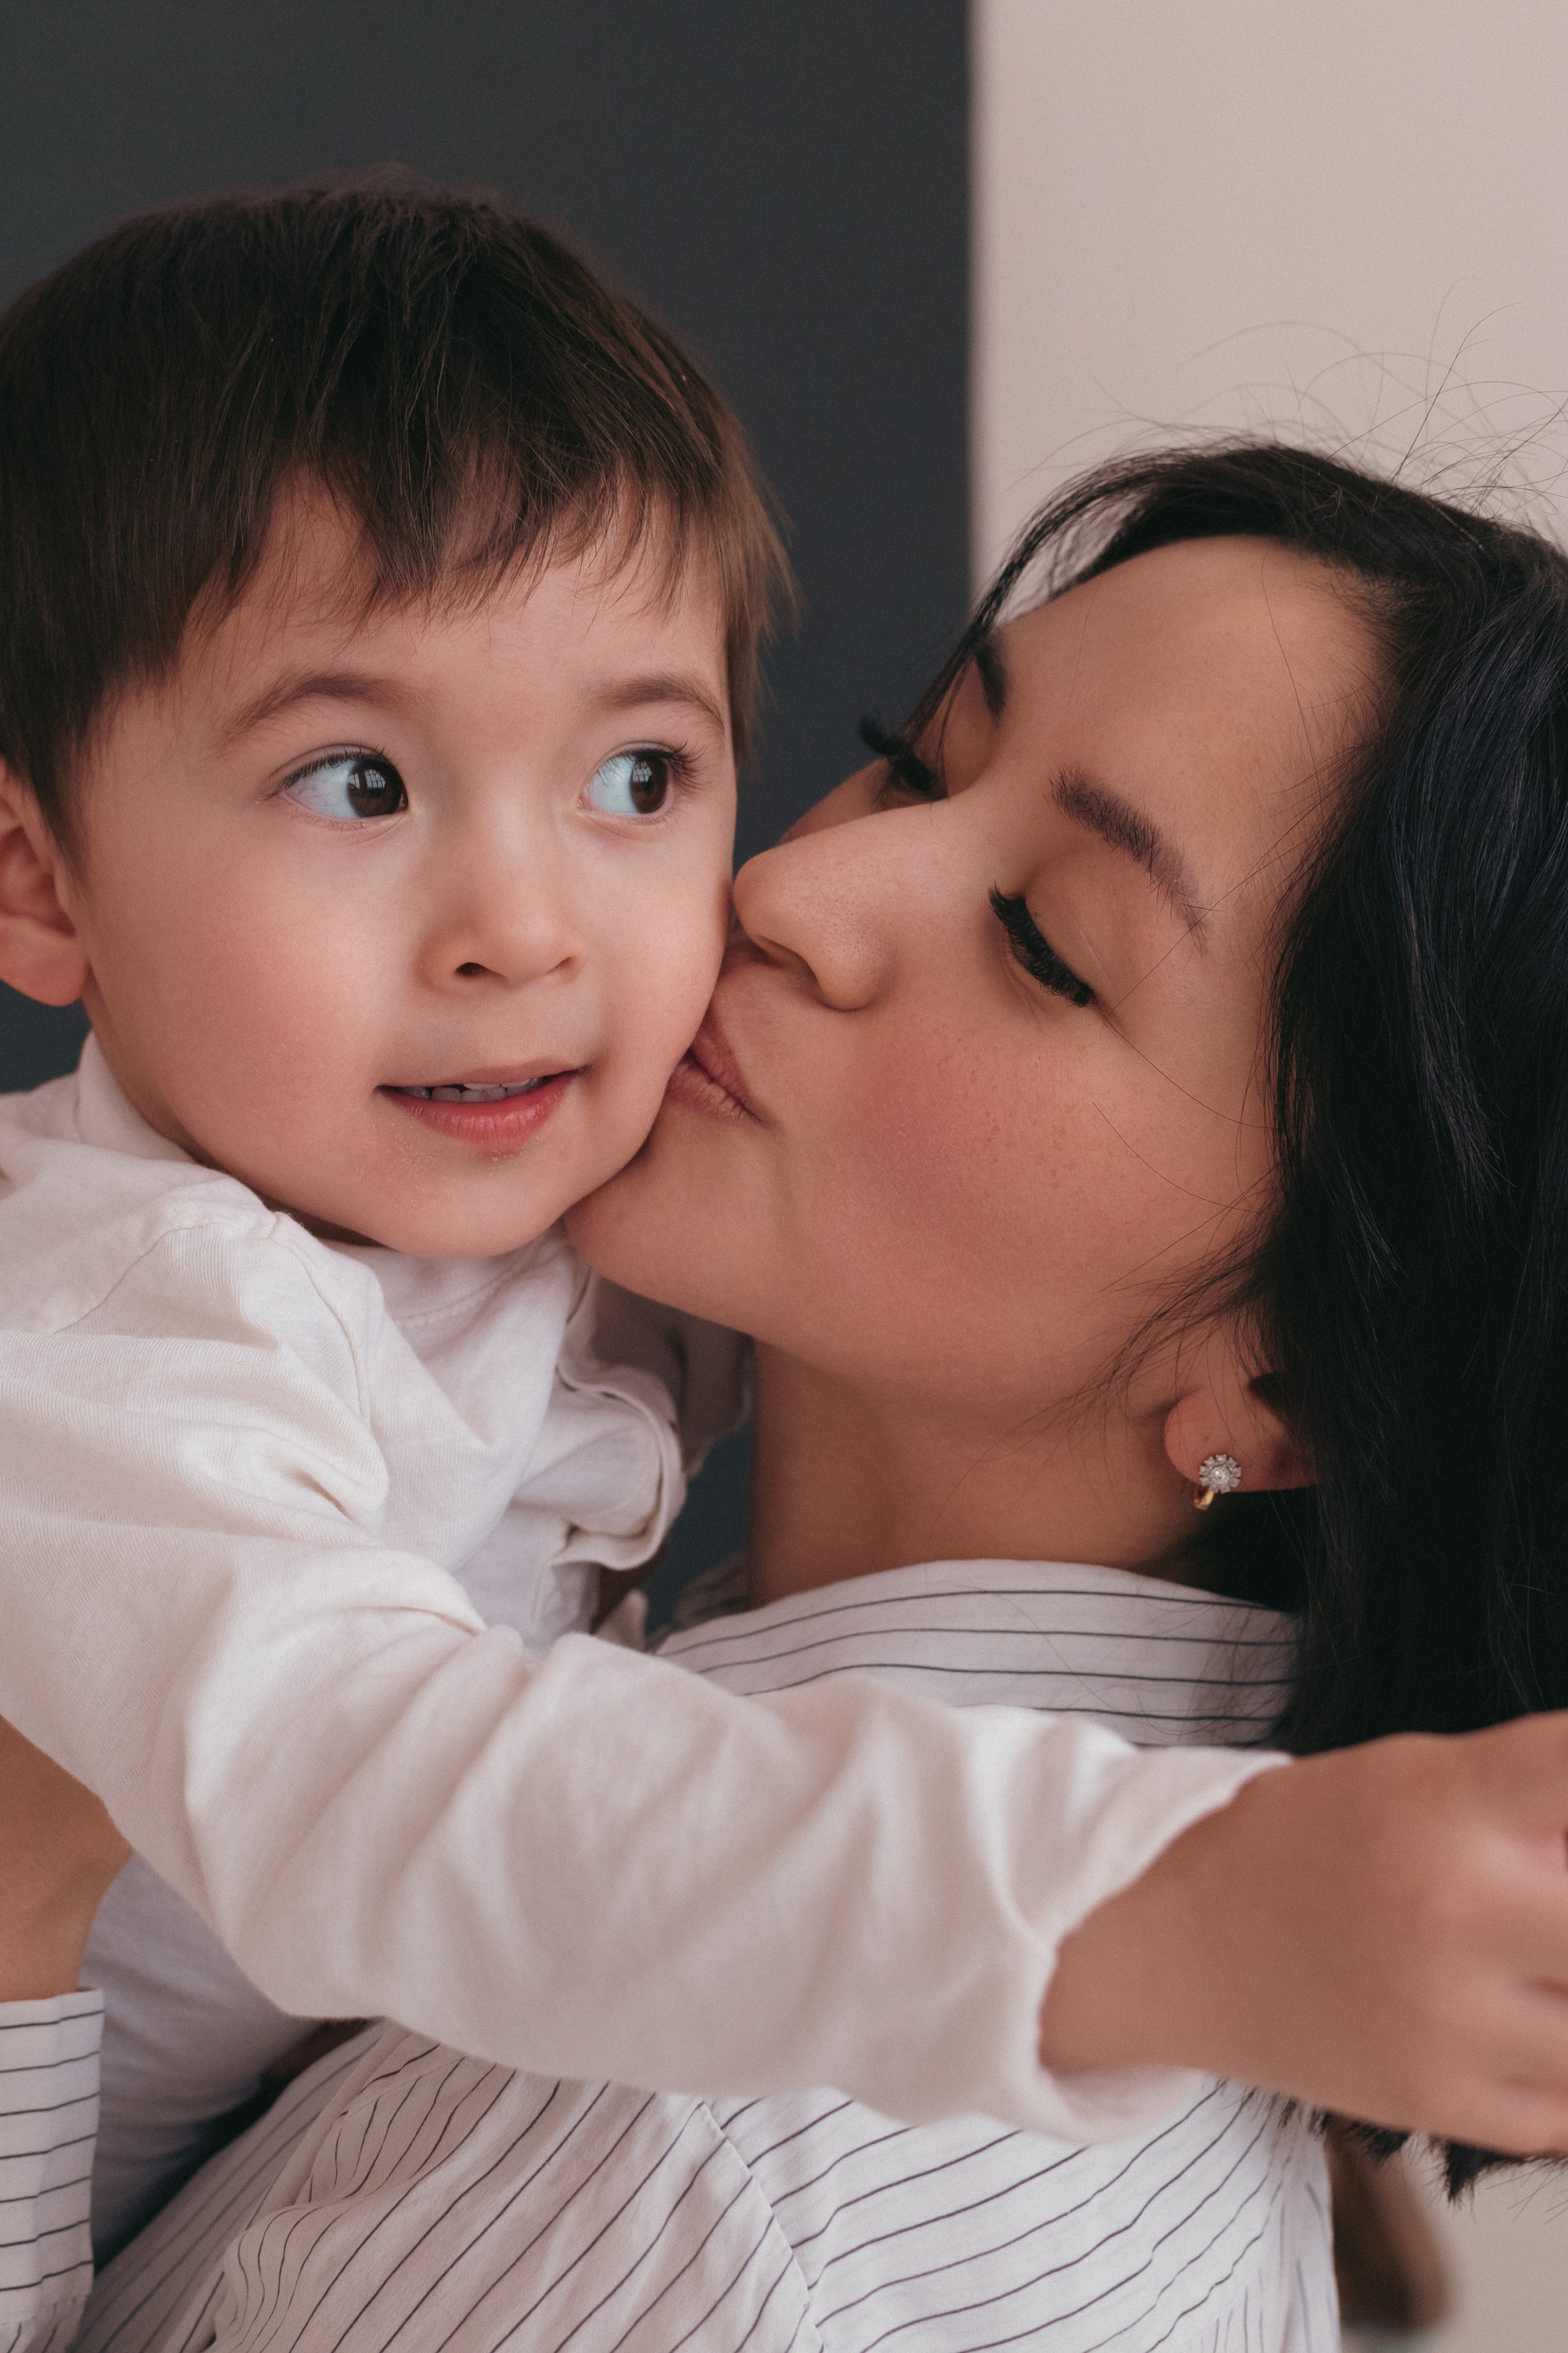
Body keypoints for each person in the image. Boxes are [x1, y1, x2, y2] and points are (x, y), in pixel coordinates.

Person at [6, 440, 1568, 2351]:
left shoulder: (718, 2207)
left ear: (1299, 1366)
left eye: (1042, 945)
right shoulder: (347, 1299)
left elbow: (405, 1782)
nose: (804, 882)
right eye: (913, 754)